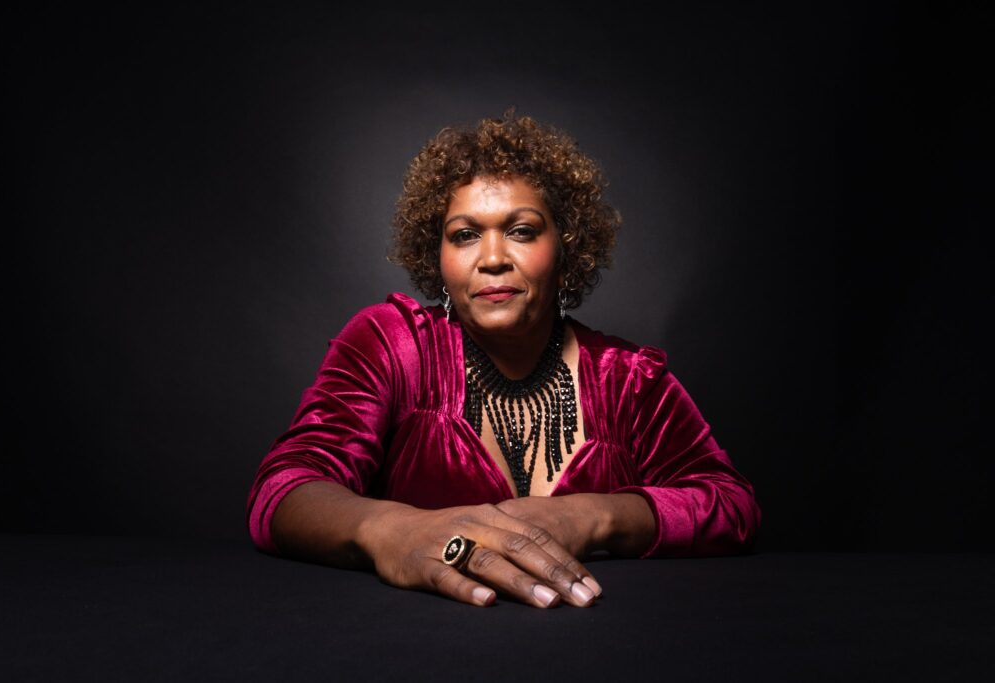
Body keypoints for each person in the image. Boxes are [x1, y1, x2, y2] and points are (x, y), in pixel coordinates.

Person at [247, 111, 761, 609]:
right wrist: (393, 529)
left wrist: (593, 516)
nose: (492, 258)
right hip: (411, 648)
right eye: (464, 235)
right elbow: (283, 489)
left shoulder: (628, 379)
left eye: (522, 230)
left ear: (567, 249)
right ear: (437, 257)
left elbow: (731, 504)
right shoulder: (393, 344)